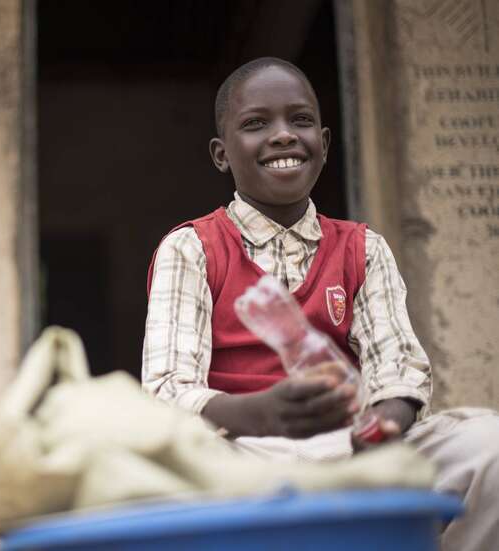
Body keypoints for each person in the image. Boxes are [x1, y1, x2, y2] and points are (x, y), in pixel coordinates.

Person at [142, 57, 499, 551]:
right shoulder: (191, 248)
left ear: (325, 145)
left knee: (488, 448)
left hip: (355, 450)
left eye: (301, 120)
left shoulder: (362, 247)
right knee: (141, 472)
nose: (284, 135)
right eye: (255, 124)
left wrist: (387, 421)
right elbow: (165, 391)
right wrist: (263, 413)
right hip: (239, 452)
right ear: (222, 155)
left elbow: (400, 369)